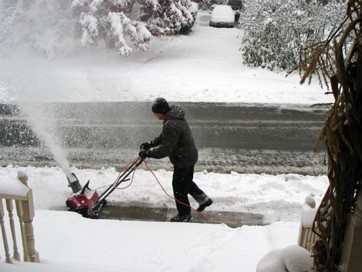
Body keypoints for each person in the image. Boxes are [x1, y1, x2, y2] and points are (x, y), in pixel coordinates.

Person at [139, 97, 213, 222]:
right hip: (189, 155)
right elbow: (165, 137)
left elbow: (165, 150)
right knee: (186, 182)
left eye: (155, 112)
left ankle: (184, 215)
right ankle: (203, 199)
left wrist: (148, 153)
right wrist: (150, 143)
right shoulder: (173, 117)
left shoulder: (172, 124)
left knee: (179, 188)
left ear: (161, 111)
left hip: (183, 159)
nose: (154, 115)